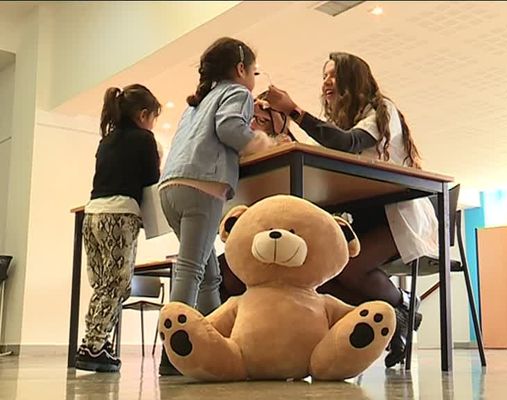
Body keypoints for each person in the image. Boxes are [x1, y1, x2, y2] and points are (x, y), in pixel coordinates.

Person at [266, 52, 438, 368]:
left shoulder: (381, 111)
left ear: (353, 80)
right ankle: (394, 323)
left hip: (396, 214)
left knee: (345, 268)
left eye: (333, 75)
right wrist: (283, 130)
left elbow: (346, 144)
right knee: (323, 276)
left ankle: (404, 304)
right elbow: (329, 155)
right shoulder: (343, 123)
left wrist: (294, 110)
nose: (326, 82)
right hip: (365, 213)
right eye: (324, 77)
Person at [158, 37, 275, 375]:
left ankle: (222, 341)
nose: (254, 77)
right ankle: (173, 353)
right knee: (191, 270)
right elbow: (229, 128)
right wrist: (260, 141)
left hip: (171, 189)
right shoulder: (238, 93)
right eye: (254, 71)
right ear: (241, 69)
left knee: (210, 276)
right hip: (202, 188)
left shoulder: (196, 104)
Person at [76, 84, 162, 372]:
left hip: (93, 214)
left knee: (103, 285)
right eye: (153, 117)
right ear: (143, 114)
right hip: (120, 217)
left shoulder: (107, 140)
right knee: (117, 286)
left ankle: (96, 343)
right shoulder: (144, 139)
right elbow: (152, 178)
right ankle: (93, 346)